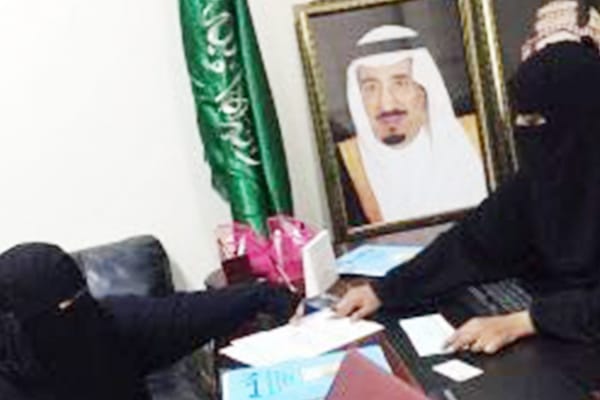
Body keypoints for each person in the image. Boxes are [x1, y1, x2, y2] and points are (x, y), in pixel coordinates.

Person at [335, 40, 600, 354]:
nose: (522, 130)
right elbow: (472, 242)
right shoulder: (540, 180)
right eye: (520, 118)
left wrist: (525, 322)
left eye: (535, 122)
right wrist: (385, 291)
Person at [0, 242, 298, 400]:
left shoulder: (106, 324)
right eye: (64, 309)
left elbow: (187, 313)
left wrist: (267, 296)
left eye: (80, 298)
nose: (79, 312)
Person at [338, 25, 487, 226]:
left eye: (400, 83)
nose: (386, 104)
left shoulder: (478, 137)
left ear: (424, 89)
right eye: (371, 88)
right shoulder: (346, 166)